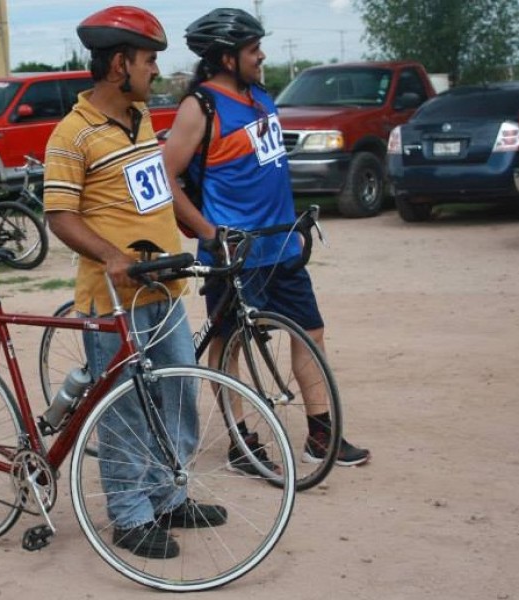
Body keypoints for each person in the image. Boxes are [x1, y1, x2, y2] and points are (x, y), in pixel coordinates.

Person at [42, 6, 226, 560]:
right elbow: (59, 215)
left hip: (163, 287)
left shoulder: (141, 120)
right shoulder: (71, 135)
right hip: (112, 298)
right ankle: (129, 516)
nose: (155, 71)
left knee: (178, 394)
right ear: (119, 64)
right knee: (124, 406)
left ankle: (166, 496)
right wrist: (111, 255)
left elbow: (158, 192)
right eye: (148, 61)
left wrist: (209, 234)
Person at [162, 7, 371, 469]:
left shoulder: (260, 96)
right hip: (234, 250)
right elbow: (166, 176)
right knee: (229, 341)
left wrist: (292, 224)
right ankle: (240, 440)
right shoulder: (201, 107)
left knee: (310, 333)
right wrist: (208, 232)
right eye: (253, 49)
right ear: (226, 58)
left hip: (281, 244)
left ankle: (320, 435)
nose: (262, 56)